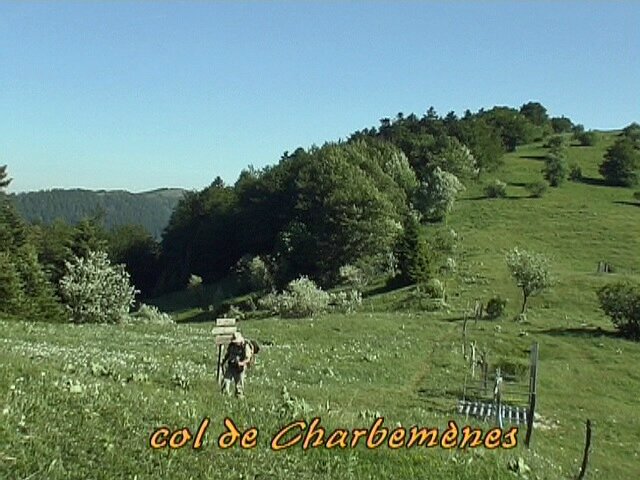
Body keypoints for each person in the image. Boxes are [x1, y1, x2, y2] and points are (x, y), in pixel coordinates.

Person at [221, 332, 253, 398]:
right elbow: (228, 353)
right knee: (226, 380)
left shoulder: (245, 346)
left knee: (239, 384)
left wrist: (241, 363)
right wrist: (224, 361)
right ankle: (224, 395)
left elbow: (248, 358)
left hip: (240, 367)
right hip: (231, 365)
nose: (235, 343)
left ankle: (239, 397)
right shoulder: (232, 345)